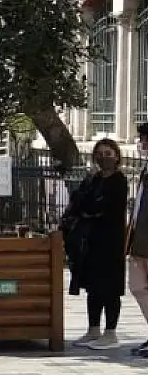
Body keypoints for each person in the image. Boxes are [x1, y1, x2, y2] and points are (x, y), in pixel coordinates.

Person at [65, 138, 128, 350]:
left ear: (117, 155)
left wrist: (91, 209)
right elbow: (81, 203)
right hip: (90, 241)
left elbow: (103, 208)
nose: (103, 158)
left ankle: (110, 333)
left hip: (111, 241)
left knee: (109, 288)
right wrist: (89, 209)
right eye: (99, 153)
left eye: (108, 153)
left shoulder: (119, 181)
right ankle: (93, 329)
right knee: (93, 287)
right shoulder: (93, 179)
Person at [128, 123, 148, 357]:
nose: (141, 143)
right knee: (137, 287)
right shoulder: (145, 169)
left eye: (143, 138)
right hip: (138, 241)